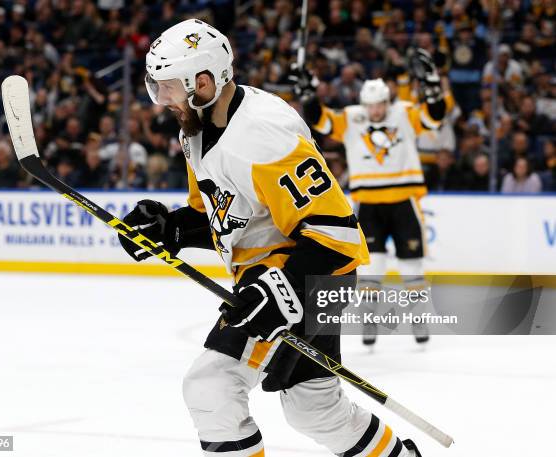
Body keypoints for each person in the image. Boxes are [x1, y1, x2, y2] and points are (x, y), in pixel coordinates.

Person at [118, 19, 421, 457]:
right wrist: (171, 228)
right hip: (277, 280)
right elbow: (222, 216)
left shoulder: (263, 132)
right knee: (315, 410)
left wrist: (280, 289)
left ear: (202, 82)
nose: (160, 99)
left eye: (166, 86)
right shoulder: (197, 129)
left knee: (211, 387)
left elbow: (338, 235)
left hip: (310, 279)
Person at [295, 49, 452, 346]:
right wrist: (309, 96)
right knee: (372, 267)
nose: (375, 111)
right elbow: (321, 121)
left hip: (403, 199)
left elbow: (434, 118)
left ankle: (419, 320)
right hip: (368, 203)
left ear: (387, 102)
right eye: (370, 105)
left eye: (379, 105)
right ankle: (370, 322)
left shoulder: (403, 112)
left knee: (412, 266)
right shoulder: (353, 117)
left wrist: (432, 88)